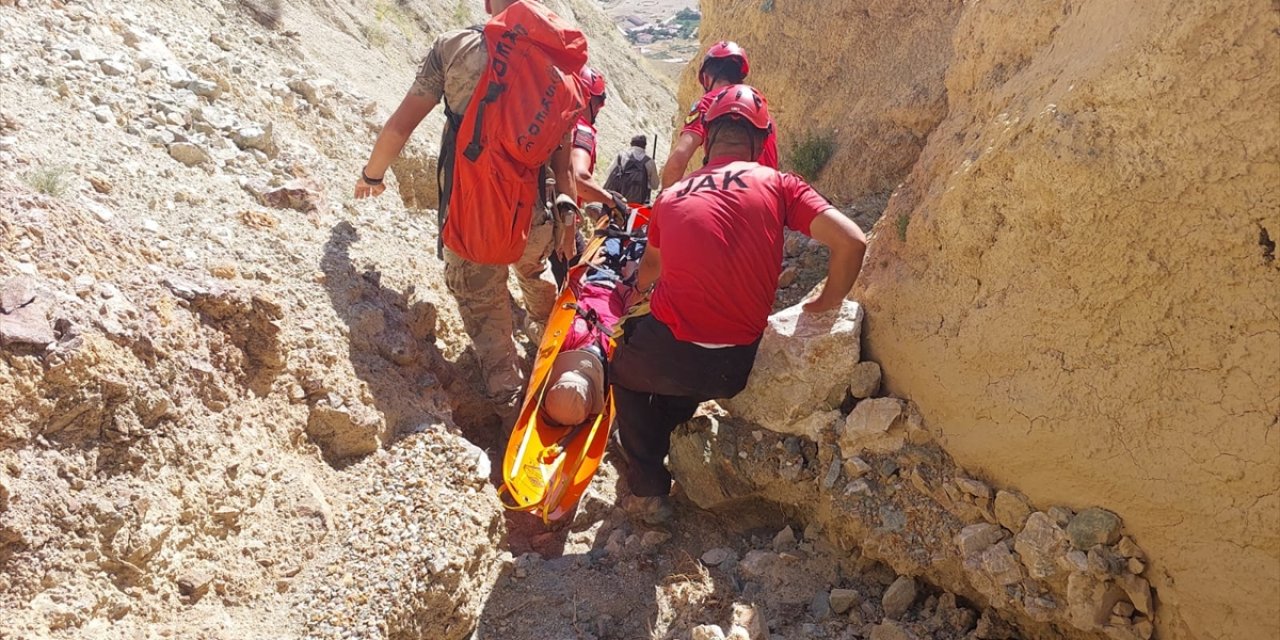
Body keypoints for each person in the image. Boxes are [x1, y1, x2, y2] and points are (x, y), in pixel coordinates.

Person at [610, 85, 868, 524]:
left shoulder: (671, 197)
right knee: (674, 365)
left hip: (673, 356)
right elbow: (852, 241)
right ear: (762, 140)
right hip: (736, 367)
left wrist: (628, 300)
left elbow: (649, 271)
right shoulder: (780, 184)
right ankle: (673, 425)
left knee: (627, 372)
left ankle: (648, 487)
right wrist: (828, 302)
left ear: (707, 140)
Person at [353, 0, 581, 418]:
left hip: (471, 214)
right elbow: (562, 165)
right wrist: (567, 219)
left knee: (485, 309)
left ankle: (511, 403)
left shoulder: (455, 47)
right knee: (533, 271)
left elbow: (402, 124)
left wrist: (373, 175)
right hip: (532, 217)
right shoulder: (557, 72)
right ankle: (552, 338)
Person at [659, 41, 779, 189]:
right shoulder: (761, 107)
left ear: (707, 79)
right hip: (768, 196)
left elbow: (679, 159)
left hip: (729, 196)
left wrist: (664, 199)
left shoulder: (709, 103)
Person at [603, 134, 660, 205]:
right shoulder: (649, 162)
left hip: (617, 199)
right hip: (636, 204)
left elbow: (609, 172)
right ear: (644, 146)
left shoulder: (621, 156)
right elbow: (655, 186)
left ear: (631, 144)